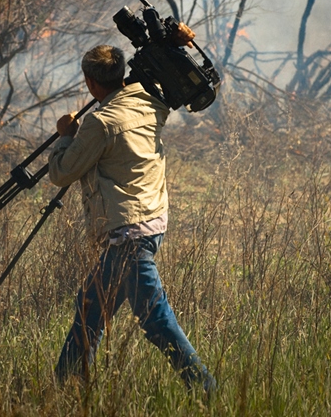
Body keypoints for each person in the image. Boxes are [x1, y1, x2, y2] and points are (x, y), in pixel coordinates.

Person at [48, 39, 216, 397]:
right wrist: (180, 40)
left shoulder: (100, 122)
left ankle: (205, 389)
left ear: (91, 83)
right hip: (151, 223)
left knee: (156, 319)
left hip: (127, 235)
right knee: (90, 307)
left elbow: (62, 172)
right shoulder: (148, 101)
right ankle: (66, 388)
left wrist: (65, 137)